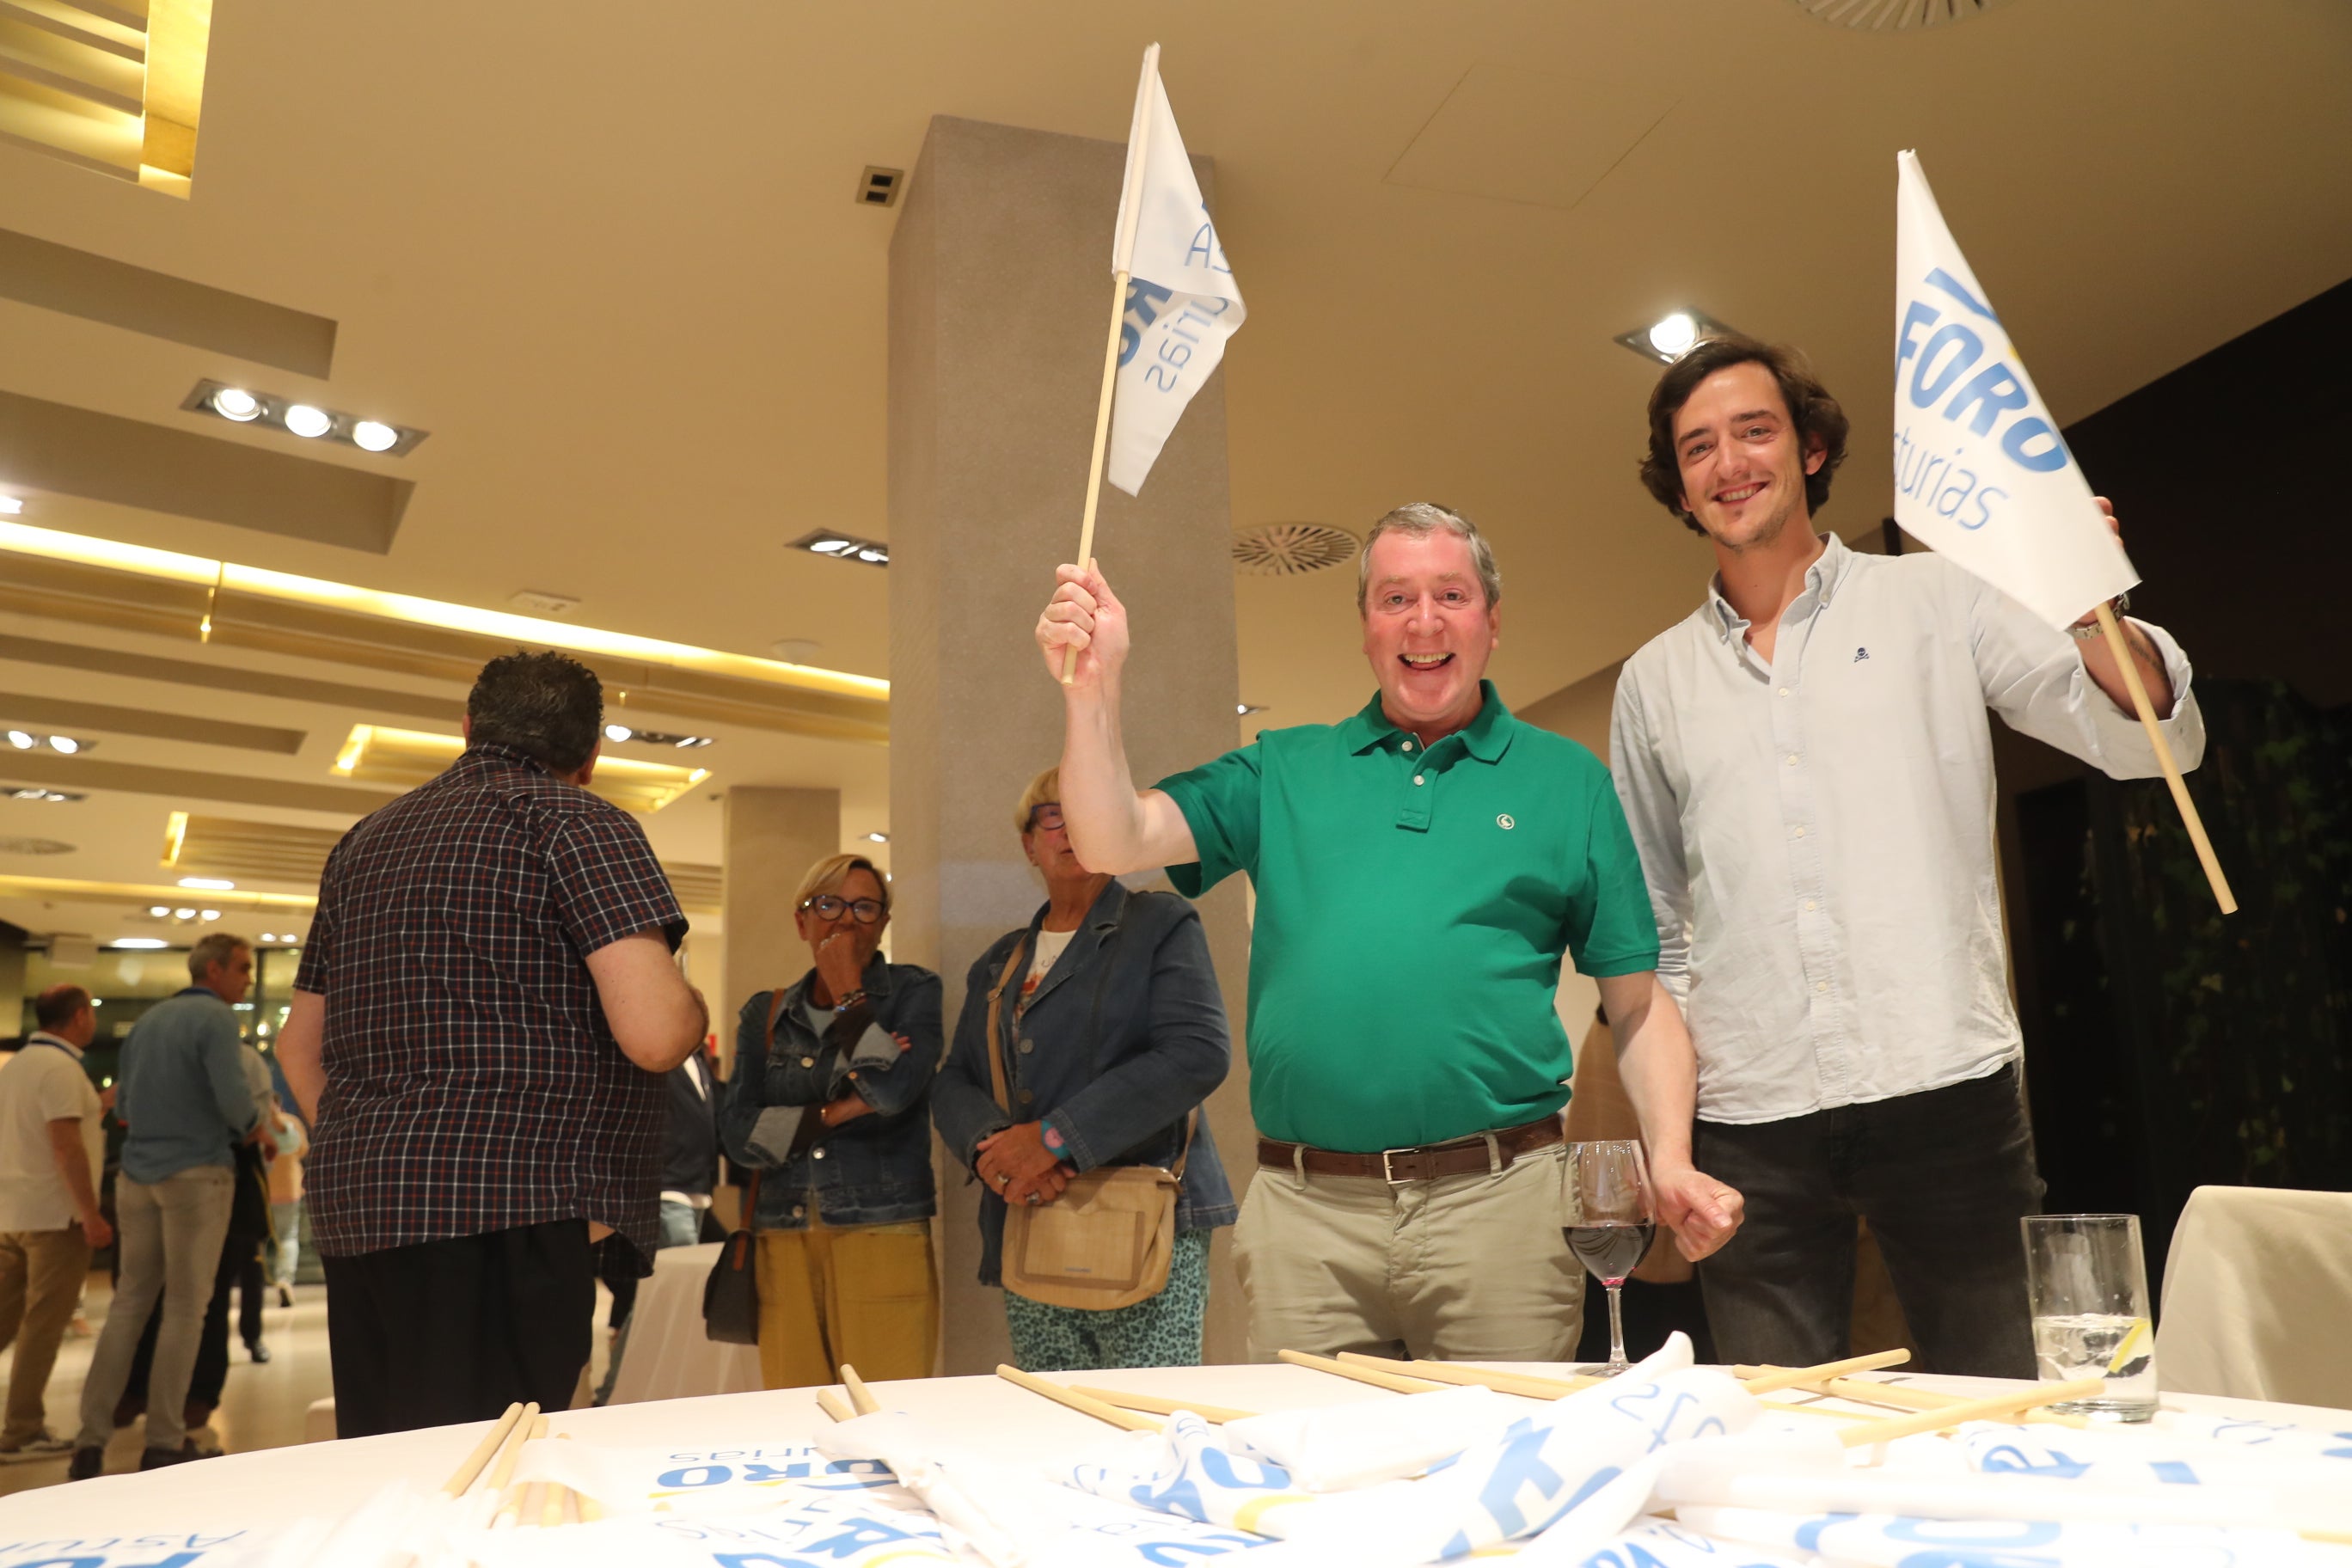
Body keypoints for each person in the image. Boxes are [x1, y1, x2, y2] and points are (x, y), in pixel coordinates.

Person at [1610, 334, 2207, 1376]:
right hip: (1749, 1128)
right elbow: (1655, 940)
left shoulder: (1941, 599)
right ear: (1681, 485)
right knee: (1776, 1444)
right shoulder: (1653, 684)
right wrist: (1668, 1150)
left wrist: (2085, 609)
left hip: (1948, 1097)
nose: (1729, 462)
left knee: (2003, 1413)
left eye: (1755, 430)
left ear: (1810, 448)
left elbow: (2143, 740)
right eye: (1698, 446)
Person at [1035, 505, 1743, 1362]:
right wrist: (1092, 691)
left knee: (1503, 1479)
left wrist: (1669, 1157)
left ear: (1491, 622)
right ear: (1367, 629)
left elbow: (1635, 1007)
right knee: (1314, 1483)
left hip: (1502, 1210)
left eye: (1451, 593)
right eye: (1394, 598)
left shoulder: (1569, 783)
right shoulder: (1283, 769)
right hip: (1308, 1221)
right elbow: (1115, 840)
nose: (1424, 620)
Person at [276, 650, 708, 1437]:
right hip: (514, 1203)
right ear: (591, 756)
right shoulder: (580, 822)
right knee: (498, 1466)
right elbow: (653, 1036)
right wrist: (691, 1002)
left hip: (361, 1205)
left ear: (468, 727)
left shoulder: (365, 842)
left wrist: (370, 1140)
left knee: (388, 1454)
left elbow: (298, 1049)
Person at [933, 767, 1237, 1371]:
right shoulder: (1000, 961)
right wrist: (998, 1151)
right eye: (1054, 814)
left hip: (1144, 1220)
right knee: (1053, 1422)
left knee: (1151, 1423)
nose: (1071, 827)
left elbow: (1197, 1053)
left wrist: (1053, 1140)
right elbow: (953, 1079)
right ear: (1029, 843)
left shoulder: (1160, 925)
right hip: (1031, 1217)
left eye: (1089, 812)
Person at [720, 854, 942, 1390]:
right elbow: (736, 1135)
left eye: (865, 907)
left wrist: (849, 995)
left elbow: (890, 1091)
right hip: (782, 1236)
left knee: (887, 1409)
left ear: (884, 923)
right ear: (802, 920)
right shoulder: (765, 1014)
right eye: (829, 904)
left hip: (882, 1230)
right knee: (796, 1414)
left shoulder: (914, 991)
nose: (846, 919)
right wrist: (841, 1108)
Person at [70, 934, 261, 1477]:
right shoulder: (218, 1021)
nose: (247, 979)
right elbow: (233, 1098)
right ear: (217, 969)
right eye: (243, 968)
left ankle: (90, 1439)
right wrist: (253, 1129)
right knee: (184, 1309)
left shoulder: (151, 1021)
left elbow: (124, 1106)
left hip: (137, 1175)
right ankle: (163, 1440)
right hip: (197, 1175)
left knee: (129, 1305)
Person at [0, 985, 109, 1460]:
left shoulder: (18, 1066)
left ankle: (21, 1424)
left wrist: (100, 1104)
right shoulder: (63, 1069)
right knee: (42, 1325)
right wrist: (91, 1214)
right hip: (54, 1216)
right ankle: (23, 1429)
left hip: (11, 1212)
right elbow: (65, 1146)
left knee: (5, 1319)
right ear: (80, 1016)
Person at [265, 1097, 307, 1306]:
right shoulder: (292, 1122)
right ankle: (284, 1279)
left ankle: (257, 1281)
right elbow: (303, 1150)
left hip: (262, 1190)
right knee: (288, 1237)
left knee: (258, 1239)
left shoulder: (255, 1124)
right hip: (289, 1189)